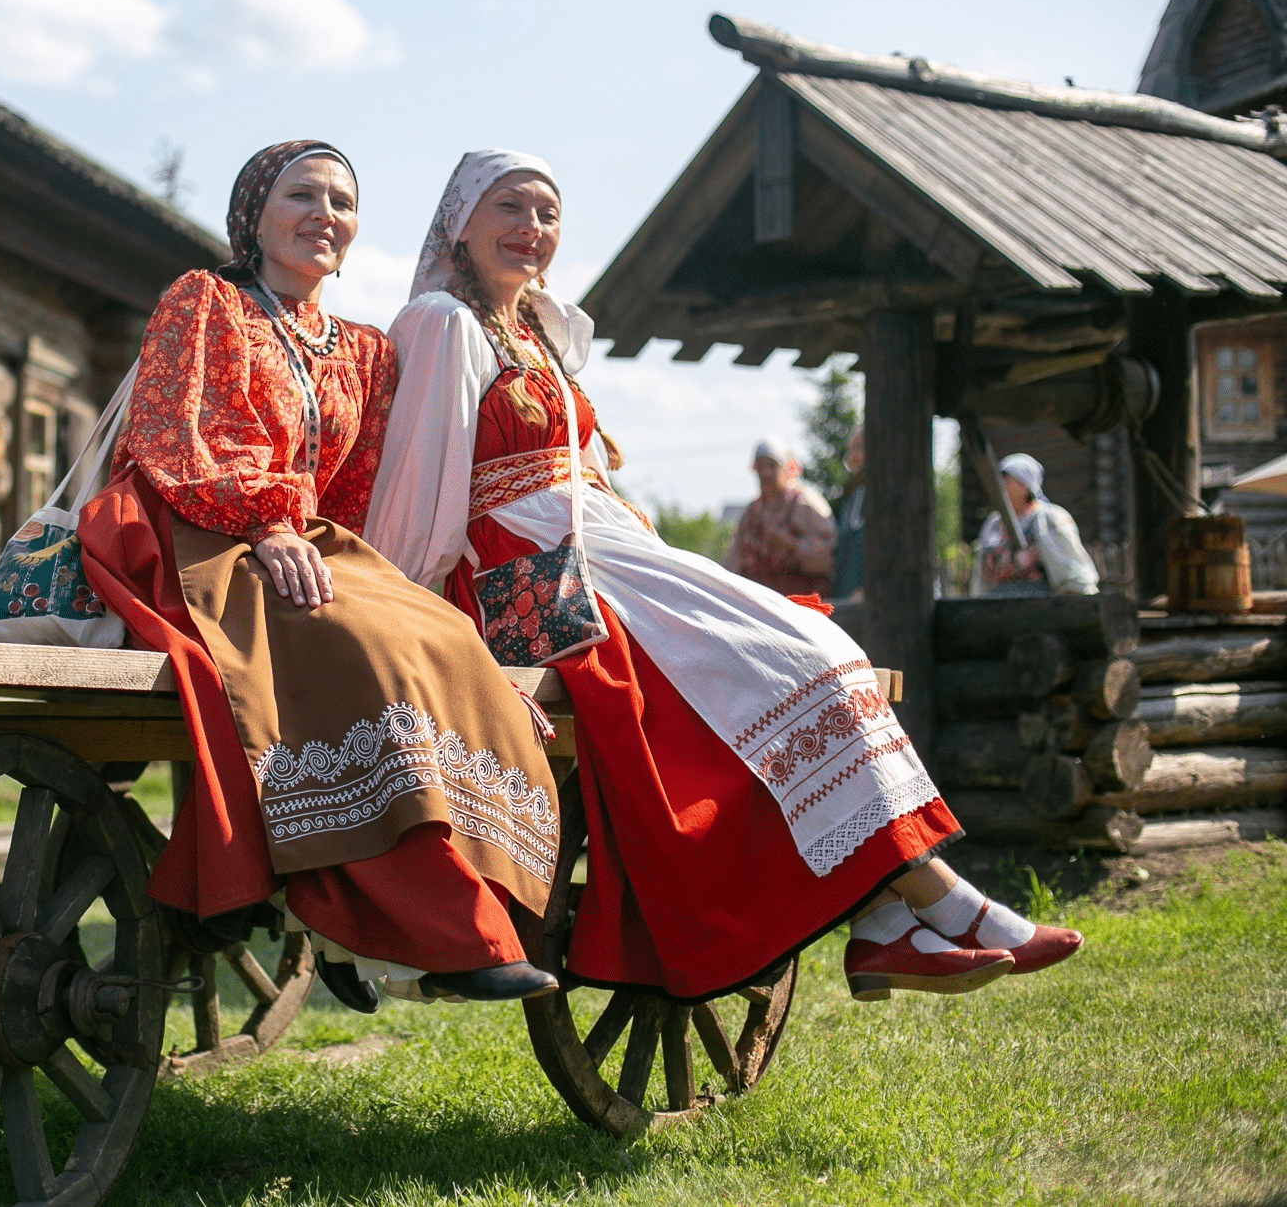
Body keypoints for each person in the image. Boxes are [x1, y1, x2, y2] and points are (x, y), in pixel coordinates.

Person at [365, 150, 1081, 1007]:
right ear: (461, 221)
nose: (531, 228)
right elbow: (418, 483)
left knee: (818, 644)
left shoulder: (539, 333)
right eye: (509, 207)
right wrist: (404, 613)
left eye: (546, 213)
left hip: (594, 544)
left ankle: (889, 917)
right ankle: (932, 902)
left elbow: (582, 471)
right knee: (758, 660)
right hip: (517, 573)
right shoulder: (444, 321)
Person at [76, 141, 561, 1014]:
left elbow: (355, 488)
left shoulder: (364, 351)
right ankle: (425, 921)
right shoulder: (206, 302)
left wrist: (354, 564)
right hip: (185, 528)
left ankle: (417, 900)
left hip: (299, 537)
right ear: (254, 215)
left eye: (342, 200)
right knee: (349, 641)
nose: (324, 214)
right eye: (302, 194)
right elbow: (166, 438)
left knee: (438, 634)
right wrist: (264, 521)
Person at [971, 453, 1100, 597]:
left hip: (1040, 606)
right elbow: (980, 578)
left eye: (1006, 481)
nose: (1000, 486)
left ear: (1024, 485)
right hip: (995, 607)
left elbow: (1071, 570)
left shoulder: (1048, 518)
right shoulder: (993, 523)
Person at [724, 439, 837, 598]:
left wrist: (792, 545)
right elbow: (733, 561)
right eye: (761, 466)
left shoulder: (805, 503)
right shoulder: (750, 513)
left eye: (772, 466)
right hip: (759, 604)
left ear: (787, 468)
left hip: (799, 605)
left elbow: (831, 556)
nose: (766, 473)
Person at [831, 426, 867, 603]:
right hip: (847, 600)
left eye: (859, 448)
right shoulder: (851, 496)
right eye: (850, 450)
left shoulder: (886, 494)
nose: (851, 457)